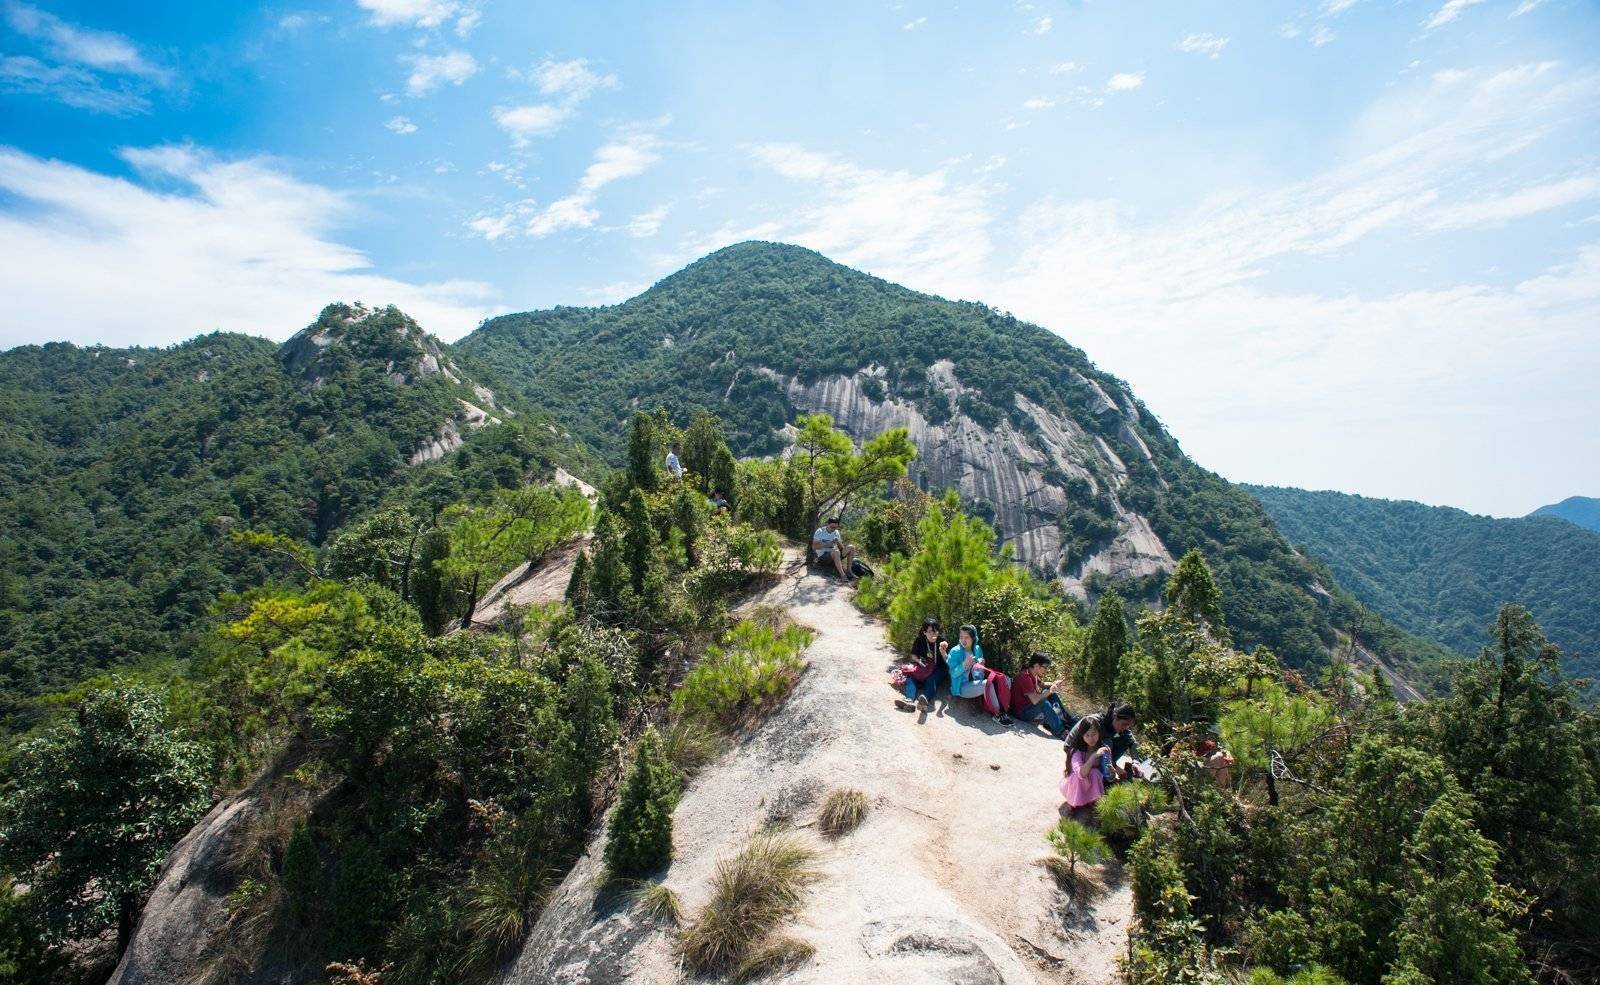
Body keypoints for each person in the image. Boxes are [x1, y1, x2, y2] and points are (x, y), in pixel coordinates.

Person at [944, 624, 1012, 725]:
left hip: (975, 681)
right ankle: (999, 714)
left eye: (966, 637)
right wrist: (964, 664)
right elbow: (953, 674)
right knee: (987, 684)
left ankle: (1004, 706)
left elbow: (980, 671)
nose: (963, 640)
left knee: (1005, 679)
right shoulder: (955, 651)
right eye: (961, 637)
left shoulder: (977, 649)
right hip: (961, 687)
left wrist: (982, 664)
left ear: (973, 638)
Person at [1063, 704, 1141, 782]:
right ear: (1115, 717)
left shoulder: (1115, 724)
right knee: (1107, 743)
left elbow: (1132, 741)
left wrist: (1136, 762)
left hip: (1094, 752)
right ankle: (1104, 775)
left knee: (1124, 740)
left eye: (1128, 726)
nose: (1126, 728)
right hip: (1076, 751)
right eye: (1124, 724)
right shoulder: (1094, 722)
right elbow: (1069, 745)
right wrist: (1116, 768)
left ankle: (1107, 771)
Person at [1011, 652, 1072, 736]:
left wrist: (1054, 684)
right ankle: (1061, 731)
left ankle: (1069, 720)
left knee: (1052, 695)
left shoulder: (1033, 674)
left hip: (1028, 707)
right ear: (1036, 666)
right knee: (1044, 702)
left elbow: (1042, 685)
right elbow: (1035, 700)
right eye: (1045, 667)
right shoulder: (1025, 677)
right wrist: (1050, 690)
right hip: (1021, 713)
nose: (1046, 670)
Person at [894, 616, 944, 712]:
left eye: (936, 630)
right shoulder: (919, 641)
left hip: (939, 667)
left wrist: (943, 652)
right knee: (912, 678)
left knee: (931, 680)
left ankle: (924, 700)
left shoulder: (942, 642)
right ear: (924, 632)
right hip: (924, 666)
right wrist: (918, 661)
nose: (934, 633)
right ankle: (909, 701)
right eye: (931, 631)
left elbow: (948, 660)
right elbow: (913, 655)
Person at [1060, 719, 1109, 810]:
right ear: (1082, 736)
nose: (1091, 738)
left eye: (1094, 734)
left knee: (1095, 773)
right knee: (1077, 777)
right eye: (1087, 735)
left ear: (1099, 733)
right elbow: (1081, 774)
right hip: (1076, 784)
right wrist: (1094, 756)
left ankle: (1092, 800)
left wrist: (1111, 771)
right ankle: (1072, 804)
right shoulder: (1076, 751)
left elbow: (1108, 774)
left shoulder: (1104, 749)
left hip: (1092, 782)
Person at [811, 516, 858, 581]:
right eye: (832, 527)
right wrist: (827, 544)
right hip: (823, 556)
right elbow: (814, 547)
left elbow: (841, 548)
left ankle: (849, 571)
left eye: (835, 527)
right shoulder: (820, 531)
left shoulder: (836, 532)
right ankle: (843, 575)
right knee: (836, 551)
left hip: (835, 554)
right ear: (827, 524)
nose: (833, 529)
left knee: (851, 547)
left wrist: (838, 543)